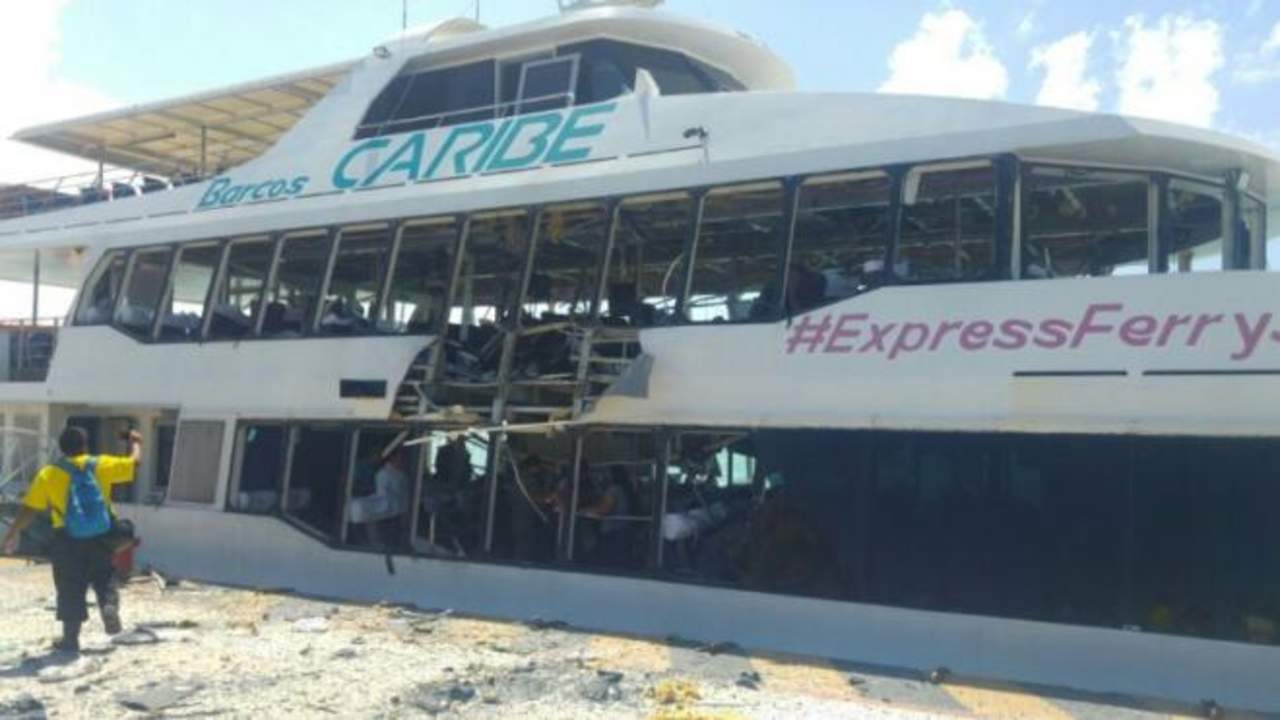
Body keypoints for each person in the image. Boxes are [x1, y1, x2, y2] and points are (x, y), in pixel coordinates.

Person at [2, 426, 142, 652]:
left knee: (69, 586)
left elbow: (30, 509)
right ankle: (108, 607)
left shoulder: (48, 474)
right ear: (85, 445)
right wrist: (135, 443)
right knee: (104, 575)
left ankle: (70, 640)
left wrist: (12, 532)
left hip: (67, 539)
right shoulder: (100, 464)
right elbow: (134, 464)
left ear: (61, 448)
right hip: (101, 535)